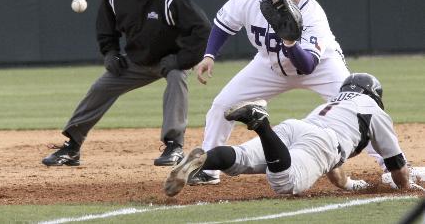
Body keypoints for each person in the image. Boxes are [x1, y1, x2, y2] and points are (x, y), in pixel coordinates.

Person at [42, 0, 211, 167]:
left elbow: (203, 28)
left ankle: (174, 146)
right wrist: (111, 52)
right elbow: (106, 26)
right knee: (100, 88)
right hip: (136, 60)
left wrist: (181, 60)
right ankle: (72, 146)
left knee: (177, 79)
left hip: (168, 60)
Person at [192, 0, 350, 184]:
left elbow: (307, 65)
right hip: (269, 65)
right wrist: (209, 55)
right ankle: (208, 169)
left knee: (355, 105)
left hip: (321, 67)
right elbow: (223, 23)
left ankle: (392, 164)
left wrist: (290, 43)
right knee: (222, 105)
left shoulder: (313, 13)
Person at [165, 73, 424, 197]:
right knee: (286, 184)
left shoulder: (331, 104)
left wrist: (351, 185)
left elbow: (331, 166)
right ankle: (261, 123)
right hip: (321, 143)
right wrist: (406, 187)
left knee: (241, 157)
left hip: (296, 129)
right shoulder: (373, 111)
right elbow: (397, 166)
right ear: (375, 95)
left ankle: (203, 160)